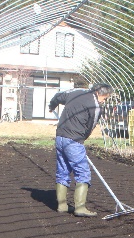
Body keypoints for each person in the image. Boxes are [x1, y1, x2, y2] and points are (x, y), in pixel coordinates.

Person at [48, 83, 113, 217]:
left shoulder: (75, 93)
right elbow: (90, 127)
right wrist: (81, 139)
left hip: (60, 137)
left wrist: (52, 105)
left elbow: (58, 96)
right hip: (74, 140)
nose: (104, 101)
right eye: (105, 98)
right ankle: (80, 208)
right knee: (82, 173)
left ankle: (62, 205)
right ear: (100, 93)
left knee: (63, 170)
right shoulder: (95, 107)